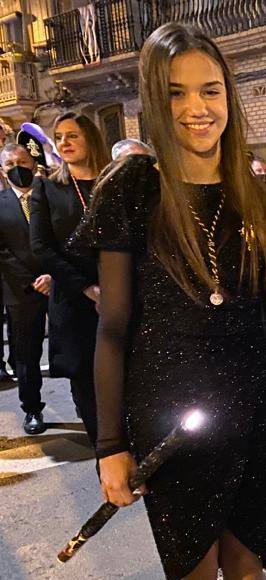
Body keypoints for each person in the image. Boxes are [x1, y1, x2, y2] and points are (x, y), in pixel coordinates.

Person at [74, 23, 266, 580]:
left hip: (255, 406)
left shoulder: (259, 196)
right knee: (193, 572)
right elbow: (111, 328)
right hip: (169, 414)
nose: (198, 108)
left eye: (211, 91)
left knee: (248, 566)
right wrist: (110, 444)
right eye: (178, 94)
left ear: (230, 98)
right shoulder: (131, 187)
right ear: (154, 100)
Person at [30, 112, 110, 443]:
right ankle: (105, 451)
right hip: (75, 299)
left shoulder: (114, 181)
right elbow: (42, 247)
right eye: (59, 136)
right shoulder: (47, 187)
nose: (64, 142)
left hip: (120, 295)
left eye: (72, 135)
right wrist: (88, 290)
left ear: (91, 138)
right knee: (87, 382)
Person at [0, 143, 50, 432]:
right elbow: (3, 252)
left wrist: (53, 275)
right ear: (3, 170)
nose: (17, 167)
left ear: (32, 162)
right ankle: (32, 408)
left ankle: (84, 403)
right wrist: (33, 280)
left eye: (22, 161)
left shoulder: (51, 195)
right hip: (21, 292)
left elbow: (68, 236)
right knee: (27, 355)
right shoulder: (2, 203)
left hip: (60, 285)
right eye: (10, 164)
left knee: (74, 347)